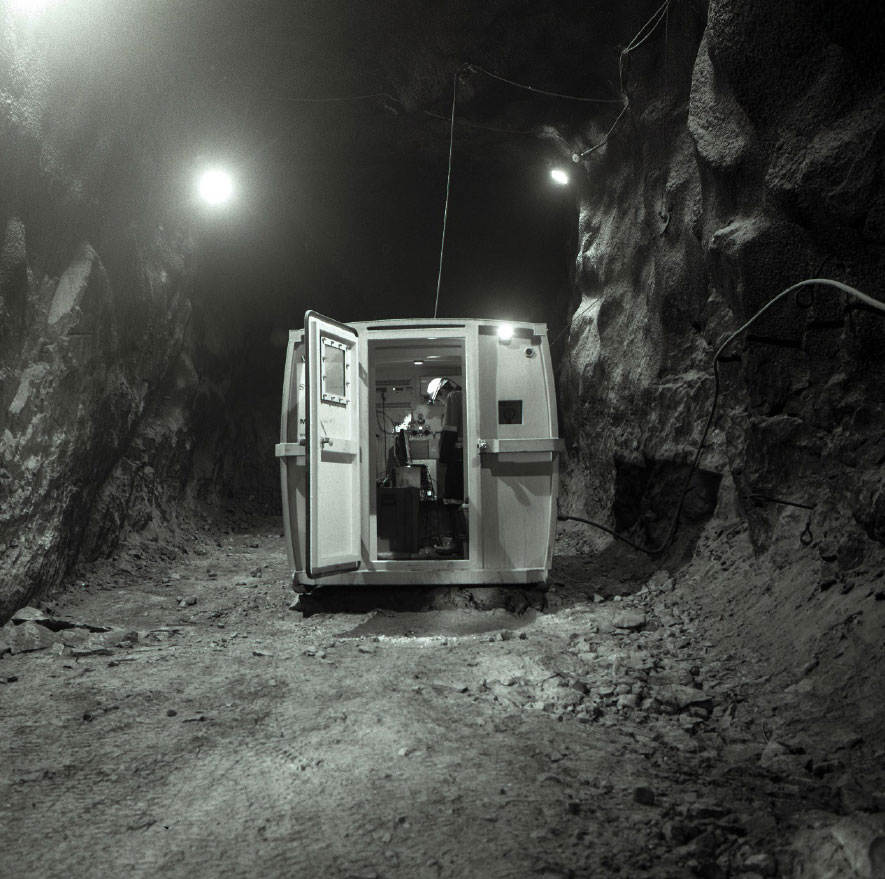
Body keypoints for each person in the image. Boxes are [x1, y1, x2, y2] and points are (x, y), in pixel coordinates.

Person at [427, 377, 467, 555]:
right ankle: (463, 544)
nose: (440, 402)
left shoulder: (452, 397)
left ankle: (455, 544)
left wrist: (443, 457)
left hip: (456, 456)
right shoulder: (465, 395)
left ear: (441, 392)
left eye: (438, 399)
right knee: (460, 499)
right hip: (464, 455)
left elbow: (449, 431)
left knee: (451, 499)